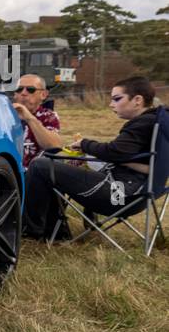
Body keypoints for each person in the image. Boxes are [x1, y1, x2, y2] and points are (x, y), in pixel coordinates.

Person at [23, 76, 163, 240]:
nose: (111, 104)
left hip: (119, 195)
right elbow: (127, 155)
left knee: (41, 165)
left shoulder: (142, 124)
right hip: (141, 194)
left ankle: (32, 229)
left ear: (137, 100)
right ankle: (55, 230)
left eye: (117, 99)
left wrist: (84, 144)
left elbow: (114, 152)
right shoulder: (158, 121)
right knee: (56, 167)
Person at [11, 74, 63, 168]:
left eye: (30, 89)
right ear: (14, 94)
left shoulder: (48, 116)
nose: (23, 93)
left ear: (43, 94)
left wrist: (29, 118)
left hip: (33, 173)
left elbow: (55, 146)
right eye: (19, 89)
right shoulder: (5, 115)